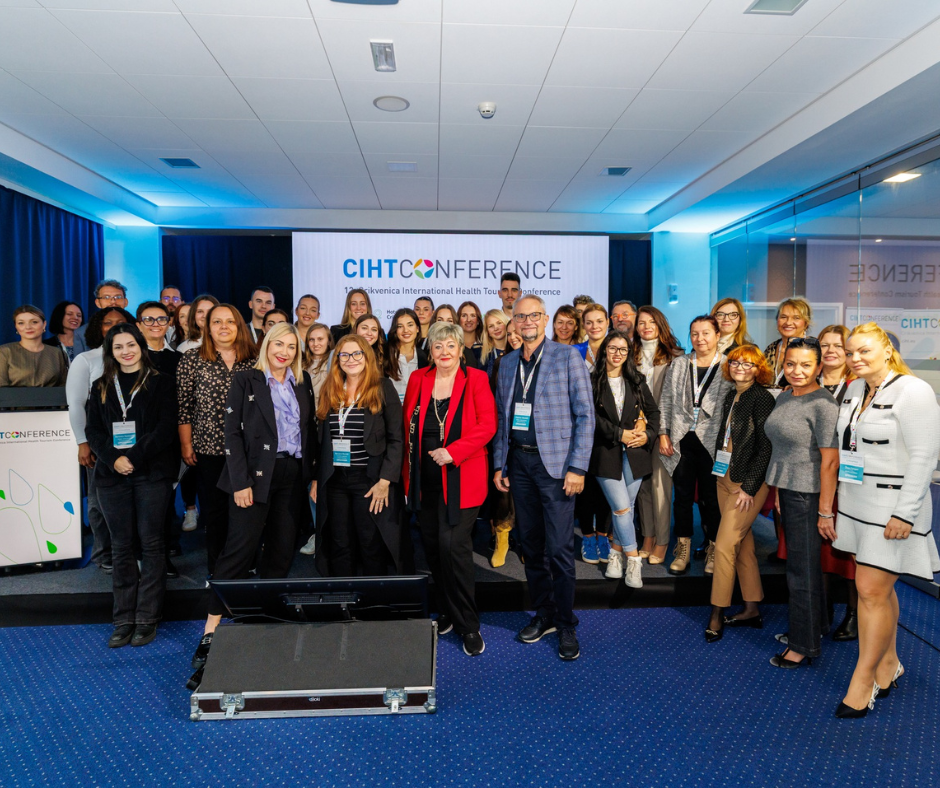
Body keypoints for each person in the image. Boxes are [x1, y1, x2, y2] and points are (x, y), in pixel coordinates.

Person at [191, 323, 317, 676]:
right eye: (278, 344)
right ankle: (210, 630)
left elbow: (309, 431)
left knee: (281, 550)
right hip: (254, 478)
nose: (284, 352)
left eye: (291, 346)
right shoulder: (246, 379)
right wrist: (241, 482)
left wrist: (312, 477)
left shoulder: (302, 381)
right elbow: (231, 434)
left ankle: (266, 619)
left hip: (292, 475)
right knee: (238, 552)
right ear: (266, 345)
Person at [829, 322, 940, 717]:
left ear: (887, 351)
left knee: (870, 590)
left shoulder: (914, 391)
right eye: (850, 352)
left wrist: (904, 514)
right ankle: (889, 662)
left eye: (864, 351)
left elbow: (925, 457)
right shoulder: (854, 389)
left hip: (892, 509)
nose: (854, 358)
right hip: (856, 505)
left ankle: (863, 680)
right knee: (877, 591)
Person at [493, 294, 594, 660]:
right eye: (521, 317)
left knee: (561, 549)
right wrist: (500, 464)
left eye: (534, 315)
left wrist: (577, 467)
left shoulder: (567, 357)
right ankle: (545, 613)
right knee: (531, 546)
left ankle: (566, 623)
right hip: (519, 465)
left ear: (545, 318)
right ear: (513, 322)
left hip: (557, 468)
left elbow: (585, 415)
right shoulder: (507, 363)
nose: (527, 322)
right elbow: (502, 418)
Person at [402, 322, 496, 656]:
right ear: (431, 351)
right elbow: (406, 424)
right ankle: (446, 610)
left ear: (460, 349)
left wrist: (453, 452)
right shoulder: (418, 378)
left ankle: (468, 624)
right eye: (438, 346)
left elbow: (487, 425)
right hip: (424, 480)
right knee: (432, 549)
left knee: (453, 548)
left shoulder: (476, 379)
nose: (444, 352)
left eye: (450, 346)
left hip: (461, 475)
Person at [84, 324, 178, 649]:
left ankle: (147, 617)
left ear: (141, 345)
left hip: (151, 473)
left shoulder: (161, 382)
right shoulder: (100, 386)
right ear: (110, 352)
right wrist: (114, 459)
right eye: (118, 347)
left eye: (131, 345)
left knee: (151, 544)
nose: (126, 351)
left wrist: (132, 457)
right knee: (121, 546)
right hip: (112, 476)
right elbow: (93, 431)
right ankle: (123, 619)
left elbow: (165, 428)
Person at [763, 337, 839, 669]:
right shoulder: (785, 395)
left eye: (806, 365)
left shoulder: (823, 404)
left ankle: (802, 646)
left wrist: (825, 511)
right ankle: (815, 628)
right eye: (791, 363)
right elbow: (783, 448)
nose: (797, 370)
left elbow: (830, 462)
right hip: (789, 490)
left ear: (819, 367)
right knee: (805, 567)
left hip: (809, 496)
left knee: (801, 571)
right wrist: (780, 492)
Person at [312, 334, 404, 576]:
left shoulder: (383, 387)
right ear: (337, 359)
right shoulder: (330, 389)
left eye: (356, 354)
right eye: (344, 355)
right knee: (339, 542)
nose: (350, 359)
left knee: (369, 541)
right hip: (335, 479)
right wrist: (316, 478)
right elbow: (321, 441)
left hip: (369, 480)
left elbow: (396, 438)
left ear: (366, 356)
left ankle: (374, 596)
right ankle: (345, 594)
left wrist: (385, 481)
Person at [177, 304, 257, 576]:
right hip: (209, 448)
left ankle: (245, 567)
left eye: (230, 321)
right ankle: (218, 571)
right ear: (207, 328)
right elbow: (184, 407)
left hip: (248, 450)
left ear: (239, 326)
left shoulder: (255, 360)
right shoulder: (192, 359)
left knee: (246, 512)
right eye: (217, 322)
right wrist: (186, 444)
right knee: (215, 512)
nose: (224, 327)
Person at [704, 345, 775, 643]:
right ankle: (751, 608)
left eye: (748, 364)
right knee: (743, 545)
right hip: (724, 477)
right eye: (735, 362)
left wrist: (749, 486)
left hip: (747, 484)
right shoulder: (731, 395)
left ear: (759, 369)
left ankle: (716, 613)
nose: (740, 368)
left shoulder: (762, 398)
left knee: (723, 547)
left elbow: (766, 447)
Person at [658, 314, 732, 575]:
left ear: (717, 335)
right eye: (695, 334)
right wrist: (663, 433)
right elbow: (666, 400)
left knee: (712, 499)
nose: (700, 338)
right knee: (682, 497)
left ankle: (713, 548)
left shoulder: (728, 366)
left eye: (706, 333)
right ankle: (683, 548)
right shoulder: (680, 364)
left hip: (713, 442)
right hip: (682, 440)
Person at [589, 330, 659, 589]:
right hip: (605, 452)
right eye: (612, 348)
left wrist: (647, 434)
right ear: (604, 350)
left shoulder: (636, 380)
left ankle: (615, 554)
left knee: (626, 507)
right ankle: (634, 560)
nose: (617, 354)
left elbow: (654, 412)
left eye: (623, 349)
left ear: (628, 353)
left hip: (635, 452)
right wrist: (620, 434)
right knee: (621, 508)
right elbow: (590, 418)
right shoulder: (592, 381)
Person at [65, 307, 133, 572]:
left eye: (121, 322)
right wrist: (83, 442)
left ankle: (129, 552)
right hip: (99, 443)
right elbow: (75, 404)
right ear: (98, 328)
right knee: (98, 500)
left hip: (135, 443)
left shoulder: (137, 357)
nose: (114, 326)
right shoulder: (86, 359)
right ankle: (104, 554)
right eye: (107, 323)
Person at [815, 323, 858, 640]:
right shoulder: (806, 382)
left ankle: (854, 615)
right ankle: (822, 612)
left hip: (849, 482)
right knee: (817, 554)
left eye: (837, 345)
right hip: (810, 480)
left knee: (850, 555)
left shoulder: (859, 387)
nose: (830, 350)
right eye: (824, 344)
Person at [633, 306, 683, 564]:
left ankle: (662, 541)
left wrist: (663, 432)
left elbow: (676, 400)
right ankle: (648, 537)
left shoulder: (676, 357)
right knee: (642, 486)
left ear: (661, 324)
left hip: (663, 431)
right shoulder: (630, 354)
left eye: (651, 322)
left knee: (660, 487)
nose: (646, 327)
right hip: (636, 431)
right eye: (641, 322)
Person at [137, 301, 183, 575]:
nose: (156, 324)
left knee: (164, 500)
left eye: (161, 319)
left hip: (168, 439)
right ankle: (137, 557)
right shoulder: (129, 355)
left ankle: (161, 557)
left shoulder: (178, 359)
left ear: (169, 323)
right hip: (135, 440)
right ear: (139, 324)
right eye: (149, 319)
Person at [0, 305, 68, 387]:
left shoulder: (57, 353)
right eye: (21, 323)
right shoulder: (4, 351)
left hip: (51, 395)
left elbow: (64, 386)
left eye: (34, 322)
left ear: (44, 324)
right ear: (16, 327)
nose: (28, 327)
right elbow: (1, 387)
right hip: (13, 395)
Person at [764, 297, 813, 389]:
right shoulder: (771, 349)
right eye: (783, 317)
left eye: (796, 318)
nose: (788, 322)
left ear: (806, 323)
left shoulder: (812, 349)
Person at [72, 279, 129, 354]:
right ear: (97, 303)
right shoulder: (81, 333)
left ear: (126, 302)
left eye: (118, 297)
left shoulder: (138, 327)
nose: (113, 301)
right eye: (106, 297)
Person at [386, 308, 427, 404]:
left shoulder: (425, 358)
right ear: (395, 330)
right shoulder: (385, 356)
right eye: (400, 326)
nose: (406, 330)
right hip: (390, 410)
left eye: (410, 325)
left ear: (417, 328)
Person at [432, 305, 481, 369]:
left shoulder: (467, 353)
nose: (444, 324)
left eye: (449, 321)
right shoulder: (424, 350)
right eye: (440, 320)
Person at [303, 322, 333, 404]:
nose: (315, 344)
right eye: (311, 339)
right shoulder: (300, 364)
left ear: (329, 341)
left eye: (320, 339)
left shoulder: (335, 363)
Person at [574, 303, 609, 372]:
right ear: (583, 324)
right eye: (589, 323)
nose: (594, 326)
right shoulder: (574, 350)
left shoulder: (618, 350)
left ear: (607, 322)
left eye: (599, 321)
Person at [481, 309, 510, 377]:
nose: (496, 328)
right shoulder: (481, 354)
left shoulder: (517, 350)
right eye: (491, 326)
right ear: (487, 332)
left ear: (506, 324)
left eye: (499, 323)